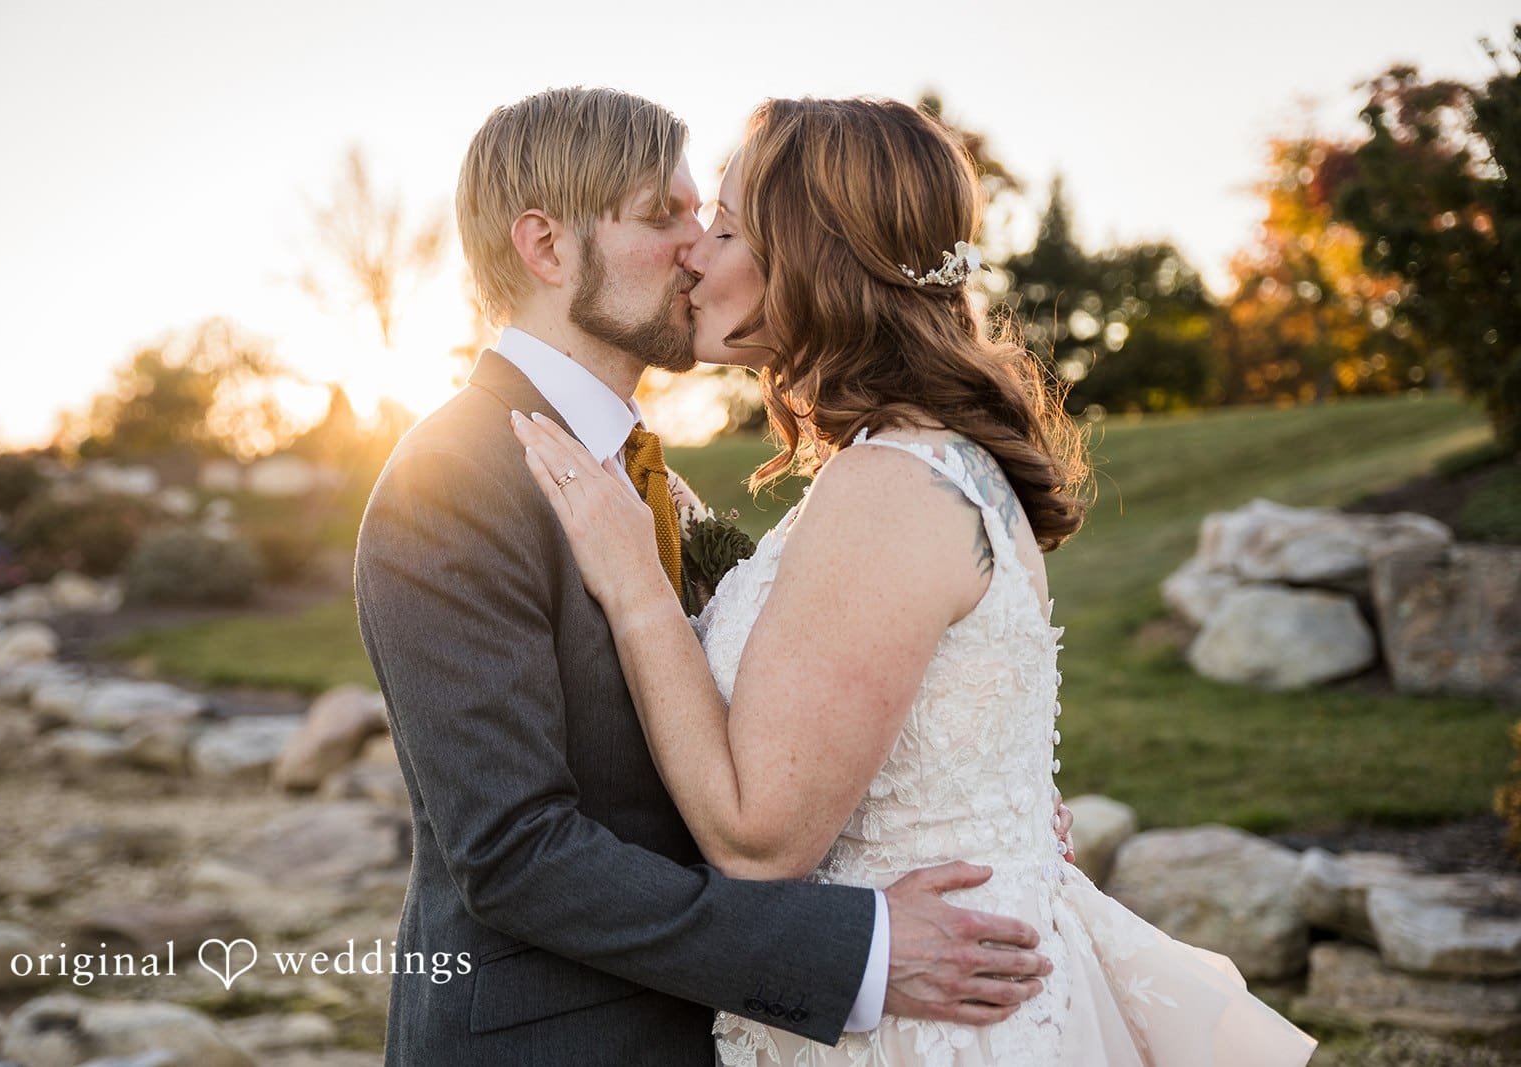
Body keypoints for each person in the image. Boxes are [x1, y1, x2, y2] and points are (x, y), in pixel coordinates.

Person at [510, 96, 1318, 1065]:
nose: (692, 251)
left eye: (723, 228)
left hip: (918, 1028)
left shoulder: (890, 484)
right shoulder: (931, 463)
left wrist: (635, 585)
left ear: (804, 259)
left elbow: (758, 838)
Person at [354, 87, 1072, 1067]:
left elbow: (779, 731)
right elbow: (512, 853)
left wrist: (984, 804)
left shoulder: (648, 473)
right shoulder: (455, 480)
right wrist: (849, 950)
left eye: (710, 218)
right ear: (547, 247)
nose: (698, 247)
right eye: (666, 216)